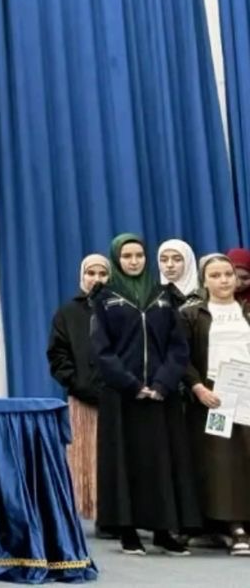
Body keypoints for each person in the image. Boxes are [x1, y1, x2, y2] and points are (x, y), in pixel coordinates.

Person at [89, 233, 199, 556]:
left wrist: (163, 383)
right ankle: (127, 531)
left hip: (161, 396)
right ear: (116, 260)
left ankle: (163, 531)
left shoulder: (162, 295)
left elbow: (178, 347)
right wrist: (132, 384)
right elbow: (101, 350)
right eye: (127, 256)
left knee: (163, 461)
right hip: (123, 396)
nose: (134, 261)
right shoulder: (105, 297)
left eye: (139, 255)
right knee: (126, 462)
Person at [181, 253, 250, 554]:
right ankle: (231, 526)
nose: (224, 280)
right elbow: (180, 357)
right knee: (222, 463)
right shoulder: (192, 314)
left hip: (247, 392)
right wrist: (197, 387)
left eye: (228, 275)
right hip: (215, 395)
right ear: (204, 281)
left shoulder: (246, 310)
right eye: (216, 275)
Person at [46, 253, 109, 524]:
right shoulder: (68, 313)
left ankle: (118, 515)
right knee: (88, 458)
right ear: (82, 277)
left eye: (102, 274)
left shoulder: (121, 309)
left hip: (118, 398)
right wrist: (76, 383)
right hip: (83, 398)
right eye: (90, 273)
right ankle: (95, 511)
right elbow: (57, 354)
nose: (96, 279)